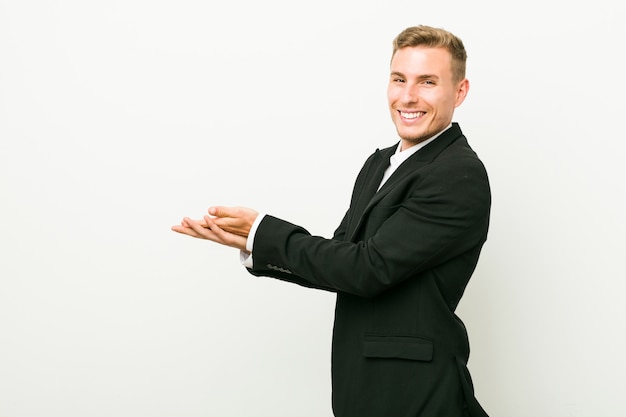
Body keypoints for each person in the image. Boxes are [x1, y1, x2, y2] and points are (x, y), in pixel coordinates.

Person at [172, 25, 491, 417]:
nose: (408, 96)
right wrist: (251, 242)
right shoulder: (380, 163)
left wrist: (264, 231)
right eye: (399, 79)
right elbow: (341, 262)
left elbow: (367, 268)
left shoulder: (457, 175)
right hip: (365, 389)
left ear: (459, 92)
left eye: (427, 82)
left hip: (414, 395)